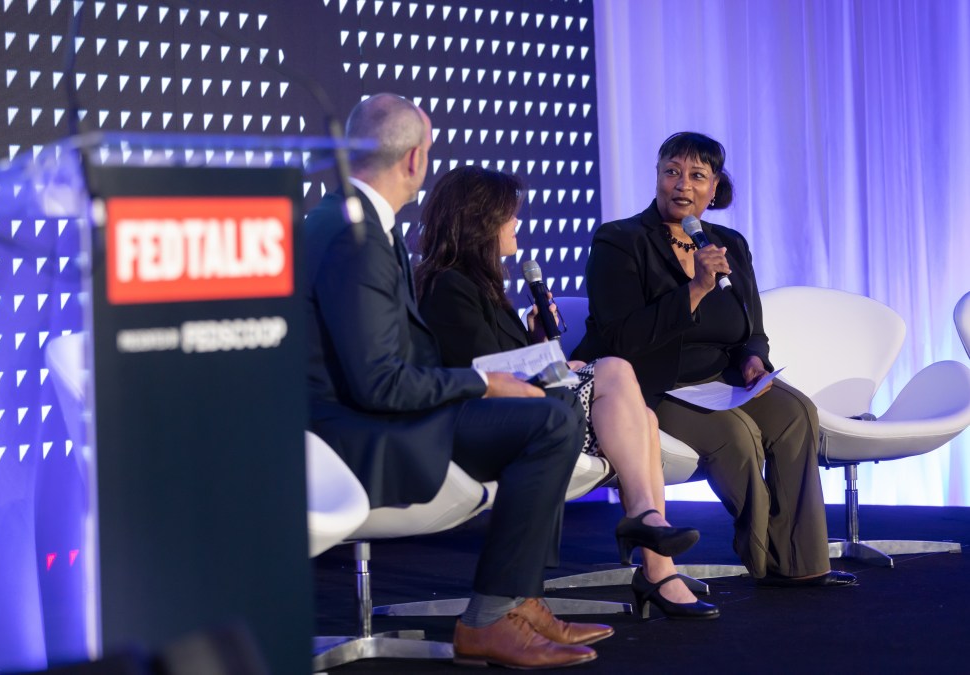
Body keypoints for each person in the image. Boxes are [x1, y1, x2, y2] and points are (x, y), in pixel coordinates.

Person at [303, 93, 612, 669]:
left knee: (551, 412)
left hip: (370, 415)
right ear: (415, 160)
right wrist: (483, 384)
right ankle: (491, 617)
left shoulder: (353, 221)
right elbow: (380, 387)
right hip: (359, 435)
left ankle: (521, 601)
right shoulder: (357, 236)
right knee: (547, 420)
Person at [414, 165, 718, 619]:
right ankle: (646, 526)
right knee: (613, 369)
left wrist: (538, 342)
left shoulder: (483, 285)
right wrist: (557, 365)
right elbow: (484, 374)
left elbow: (508, 362)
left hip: (531, 409)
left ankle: (659, 565)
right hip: (492, 423)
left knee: (647, 420)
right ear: (480, 221)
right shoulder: (448, 286)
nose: (516, 224)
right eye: (508, 216)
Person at [572, 131, 855, 588]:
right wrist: (696, 289)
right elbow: (620, 338)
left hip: (723, 379)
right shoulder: (620, 241)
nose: (682, 185)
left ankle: (803, 563)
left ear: (714, 184)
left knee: (797, 413)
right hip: (653, 382)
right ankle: (766, 560)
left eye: (696, 175)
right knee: (738, 437)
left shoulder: (729, 244)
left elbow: (752, 329)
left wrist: (753, 361)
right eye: (672, 172)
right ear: (658, 176)